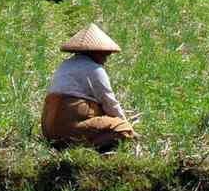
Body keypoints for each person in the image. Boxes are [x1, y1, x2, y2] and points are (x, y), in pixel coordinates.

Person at [41, 23, 137, 151]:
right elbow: (109, 102)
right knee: (123, 130)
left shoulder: (65, 64)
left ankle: (66, 144)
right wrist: (128, 126)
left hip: (48, 130)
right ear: (94, 52)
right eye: (104, 54)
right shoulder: (94, 69)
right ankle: (80, 147)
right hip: (68, 129)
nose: (105, 59)